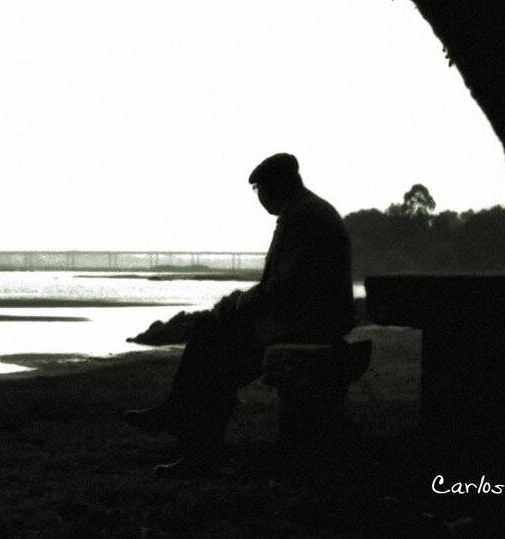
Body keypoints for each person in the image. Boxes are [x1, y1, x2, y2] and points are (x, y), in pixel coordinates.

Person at [123, 153, 354, 475]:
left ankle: (195, 446)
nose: (258, 198)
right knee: (211, 339)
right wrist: (240, 303)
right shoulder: (309, 209)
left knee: (212, 351)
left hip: (308, 323)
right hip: (314, 317)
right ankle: (184, 426)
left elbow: (282, 287)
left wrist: (237, 303)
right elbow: (285, 285)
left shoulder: (301, 217)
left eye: (259, 189)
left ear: (273, 187)